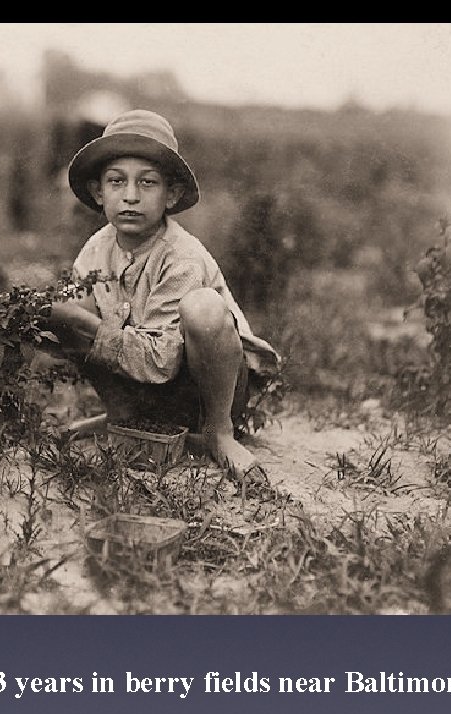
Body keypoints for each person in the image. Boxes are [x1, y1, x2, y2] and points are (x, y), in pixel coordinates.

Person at [45, 109, 279, 480]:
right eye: (116, 182)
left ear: (172, 194)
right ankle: (122, 415)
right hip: (141, 389)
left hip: (203, 391)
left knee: (203, 308)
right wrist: (58, 315)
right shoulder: (96, 247)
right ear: (97, 192)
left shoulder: (180, 255)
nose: (131, 197)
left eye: (148, 183)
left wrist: (78, 320)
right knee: (63, 305)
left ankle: (219, 434)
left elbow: (160, 363)